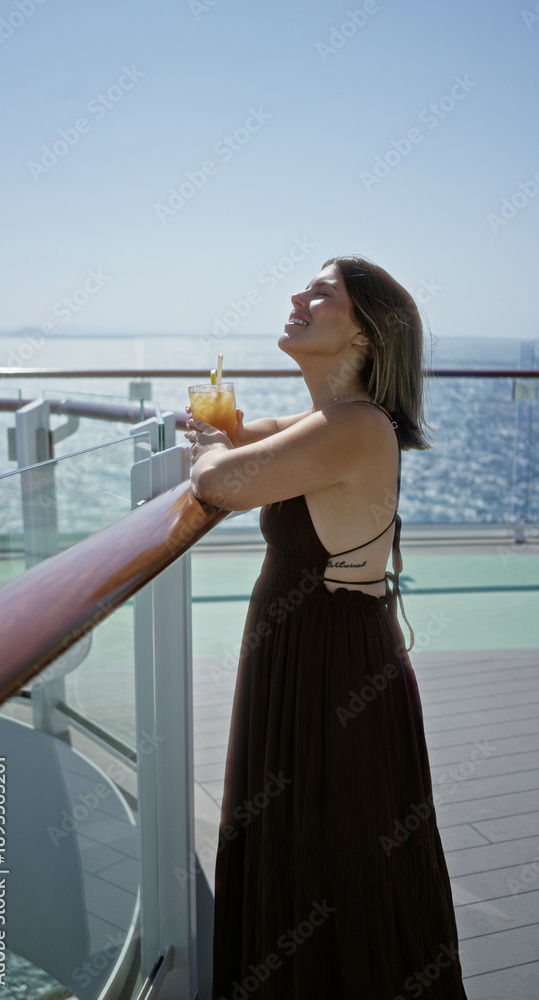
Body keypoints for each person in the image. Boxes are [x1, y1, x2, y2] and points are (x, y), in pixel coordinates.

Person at [186, 256, 467, 999]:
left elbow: (222, 482)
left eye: (321, 292)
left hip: (331, 667)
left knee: (328, 854)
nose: (296, 296)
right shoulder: (328, 420)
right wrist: (227, 428)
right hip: (308, 654)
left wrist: (207, 445)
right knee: (310, 848)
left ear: (366, 337)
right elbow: (253, 437)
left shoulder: (354, 427)